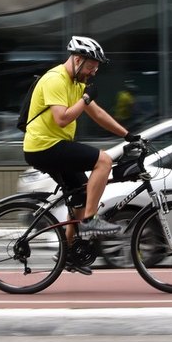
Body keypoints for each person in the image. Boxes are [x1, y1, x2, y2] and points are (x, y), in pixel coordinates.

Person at [23, 36, 140, 275]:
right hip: (44, 147)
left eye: (96, 69)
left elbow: (97, 113)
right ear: (77, 60)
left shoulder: (76, 82)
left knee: (80, 198)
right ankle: (89, 222)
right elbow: (62, 118)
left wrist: (128, 135)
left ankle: (68, 254)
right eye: (91, 67)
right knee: (104, 160)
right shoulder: (55, 79)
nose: (93, 73)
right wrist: (86, 98)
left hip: (56, 145)